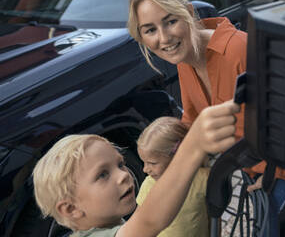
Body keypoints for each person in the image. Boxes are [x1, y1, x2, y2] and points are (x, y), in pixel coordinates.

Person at [127, 0, 285, 236]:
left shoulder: (238, 49)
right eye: (150, 30)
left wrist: (270, 172)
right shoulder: (185, 60)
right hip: (253, 168)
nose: (164, 38)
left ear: (187, 13)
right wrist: (168, 157)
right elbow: (192, 120)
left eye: (170, 21)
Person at [32, 101, 239, 237]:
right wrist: (192, 147)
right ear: (71, 209)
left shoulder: (111, 224)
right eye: (102, 174)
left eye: (120, 164)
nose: (123, 175)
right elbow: (149, 221)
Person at [136, 116, 209, 237]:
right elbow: (139, 225)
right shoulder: (149, 186)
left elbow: (213, 216)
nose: (145, 169)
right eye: (144, 162)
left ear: (178, 154)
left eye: (152, 163)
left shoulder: (203, 179)